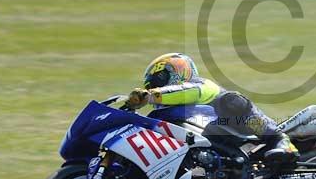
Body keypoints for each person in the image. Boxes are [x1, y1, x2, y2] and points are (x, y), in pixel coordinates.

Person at [124, 53, 298, 163]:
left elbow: (186, 92)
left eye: (162, 77)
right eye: (155, 81)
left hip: (230, 123)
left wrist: (152, 95)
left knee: (231, 101)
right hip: (213, 142)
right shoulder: (164, 113)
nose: (158, 82)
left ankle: (279, 140)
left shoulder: (200, 85)